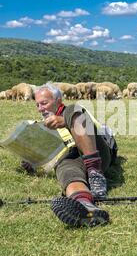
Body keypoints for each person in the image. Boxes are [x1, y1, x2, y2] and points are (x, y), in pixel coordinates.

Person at [21, 82, 116, 227]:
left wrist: (65, 121)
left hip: (96, 151)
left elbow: (91, 127)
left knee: (74, 111)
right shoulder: (45, 126)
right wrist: (34, 161)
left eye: (44, 103)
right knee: (65, 168)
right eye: (38, 105)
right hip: (72, 156)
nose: (40, 109)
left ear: (58, 101)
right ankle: (86, 207)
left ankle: (95, 173)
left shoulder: (72, 110)